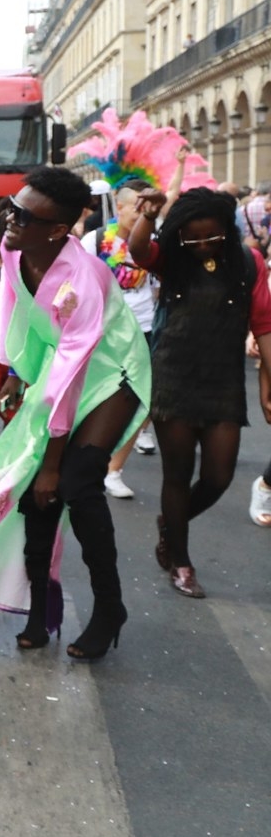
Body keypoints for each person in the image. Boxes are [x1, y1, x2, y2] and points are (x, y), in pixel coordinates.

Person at [0, 169, 150, 661]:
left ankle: (109, 608)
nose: (10, 219)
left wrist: (52, 460)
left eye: (25, 216)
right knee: (34, 498)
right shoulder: (14, 249)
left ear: (58, 229)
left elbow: (74, 373)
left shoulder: (84, 278)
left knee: (73, 483)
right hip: (59, 369)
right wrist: (18, 373)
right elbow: (18, 319)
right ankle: (40, 609)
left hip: (112, 371)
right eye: (12, 206)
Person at [126, 186, 271, 598]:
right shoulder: (170, 259)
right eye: (194, 238)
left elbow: (263, 323)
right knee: (177, 474)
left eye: (212, 236)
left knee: (218, 477)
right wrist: (149, 216)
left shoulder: (248, 261)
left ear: (227, 229)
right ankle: (181, 560)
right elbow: (139, 252)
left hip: (223, 379)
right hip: (173, 375)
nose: (203, 244)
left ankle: (171, 524)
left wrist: (267, 382)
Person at [82, 186, 161, 499]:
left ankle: (115, 470)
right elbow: (81, 283)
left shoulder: (152, 241)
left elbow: (157, 283)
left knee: (142, 398)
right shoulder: (97, 239)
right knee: (101, 397)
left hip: (144, 327)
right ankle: (91, 459)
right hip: (105, 330)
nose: (142, 216)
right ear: (120, 206)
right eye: (136, 209)